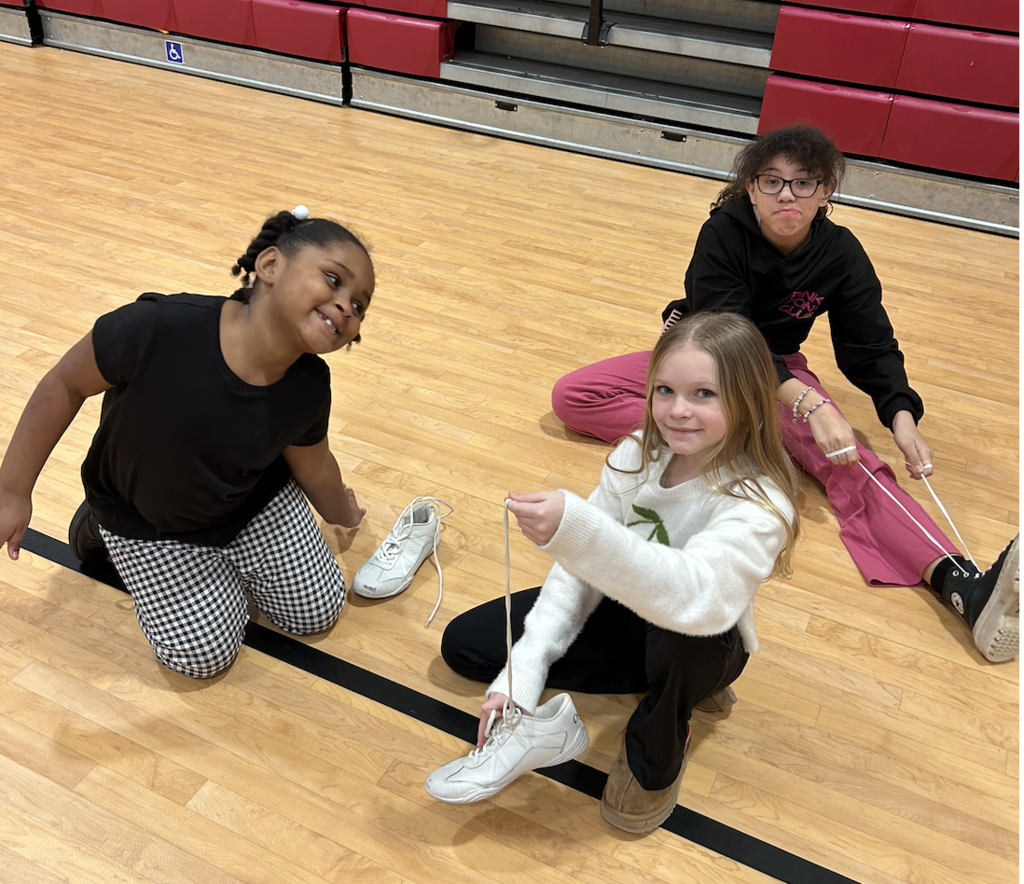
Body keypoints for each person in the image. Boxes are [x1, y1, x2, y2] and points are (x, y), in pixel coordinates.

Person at [551, 125, 1018, 664]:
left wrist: (901, 415)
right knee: (574, 396)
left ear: (826, 192)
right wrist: (809, 404)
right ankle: (745, 442)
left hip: (778, 373)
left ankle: (958, 582)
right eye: (771, 181)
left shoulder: (841, 252)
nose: (786, 195)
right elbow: (730, 332)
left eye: (803, 183)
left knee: (851, 461)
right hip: (703, 356)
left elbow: (869, 343)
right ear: (751, 188)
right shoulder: (722, 233)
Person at [432, 313, 799, 834]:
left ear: (748, 400)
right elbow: (580, 570)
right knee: (466, 647)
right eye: (665, 390)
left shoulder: (760, 502)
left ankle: (663, 733)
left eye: (704, 394)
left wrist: (581, 532)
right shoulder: (637, 453)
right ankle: (627, 696)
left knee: (678, 640)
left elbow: (698, 597)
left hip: (702, 634)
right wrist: (526, 668)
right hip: (630, 609)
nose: (677, 411)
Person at [0, 207, 374, 678]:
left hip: (252, 503)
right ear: (270, 265)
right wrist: (12, 491)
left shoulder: (309, 385)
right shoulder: (158, 327)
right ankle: (98, 527)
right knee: (202, 657)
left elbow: (313, 465)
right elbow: (63, 385)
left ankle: (225, 569)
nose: (346, 307)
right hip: (146, 517)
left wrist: (343, 512)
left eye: (360, 305)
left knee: (317, 612)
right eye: (333, 280)